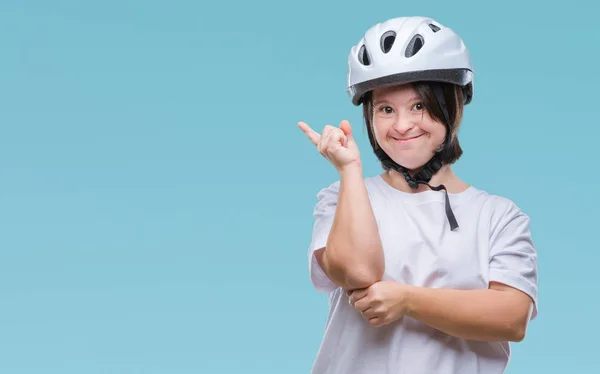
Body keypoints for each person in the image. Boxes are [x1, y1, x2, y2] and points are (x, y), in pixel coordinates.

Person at [297, 16, 538, 374]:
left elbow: (511, 317)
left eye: (419, 106)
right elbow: (358, 270)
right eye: (386, 109)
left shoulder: (498, 216)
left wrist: (408, 301)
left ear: (452, 106)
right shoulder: (343, 197)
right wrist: (349, 170)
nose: (402, 125)